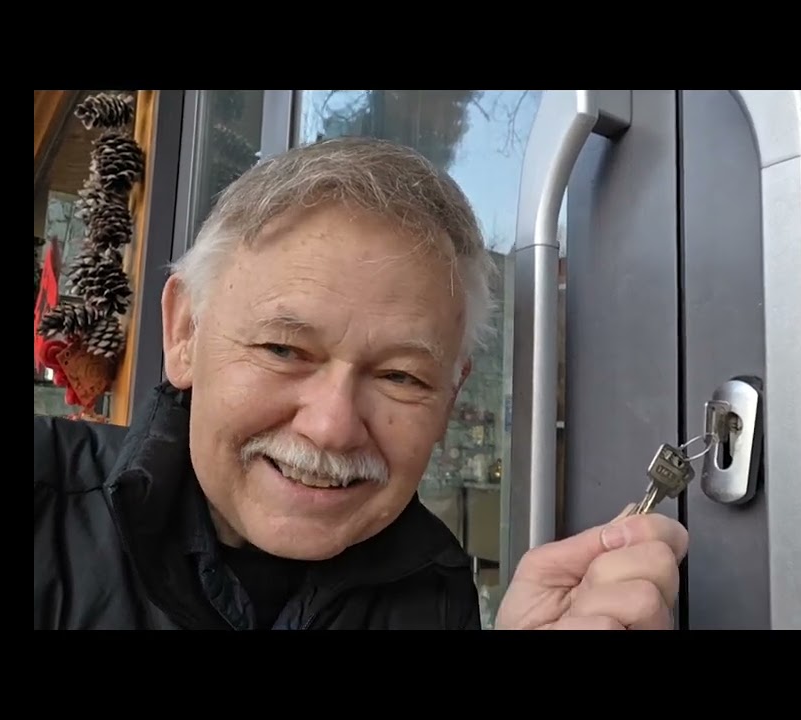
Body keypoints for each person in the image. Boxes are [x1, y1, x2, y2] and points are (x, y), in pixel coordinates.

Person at [33, 136, 688, 630]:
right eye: (284, 348)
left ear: (450, 396)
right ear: (184, 334)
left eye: (401, 375)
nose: (332, 426)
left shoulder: (434, 592)